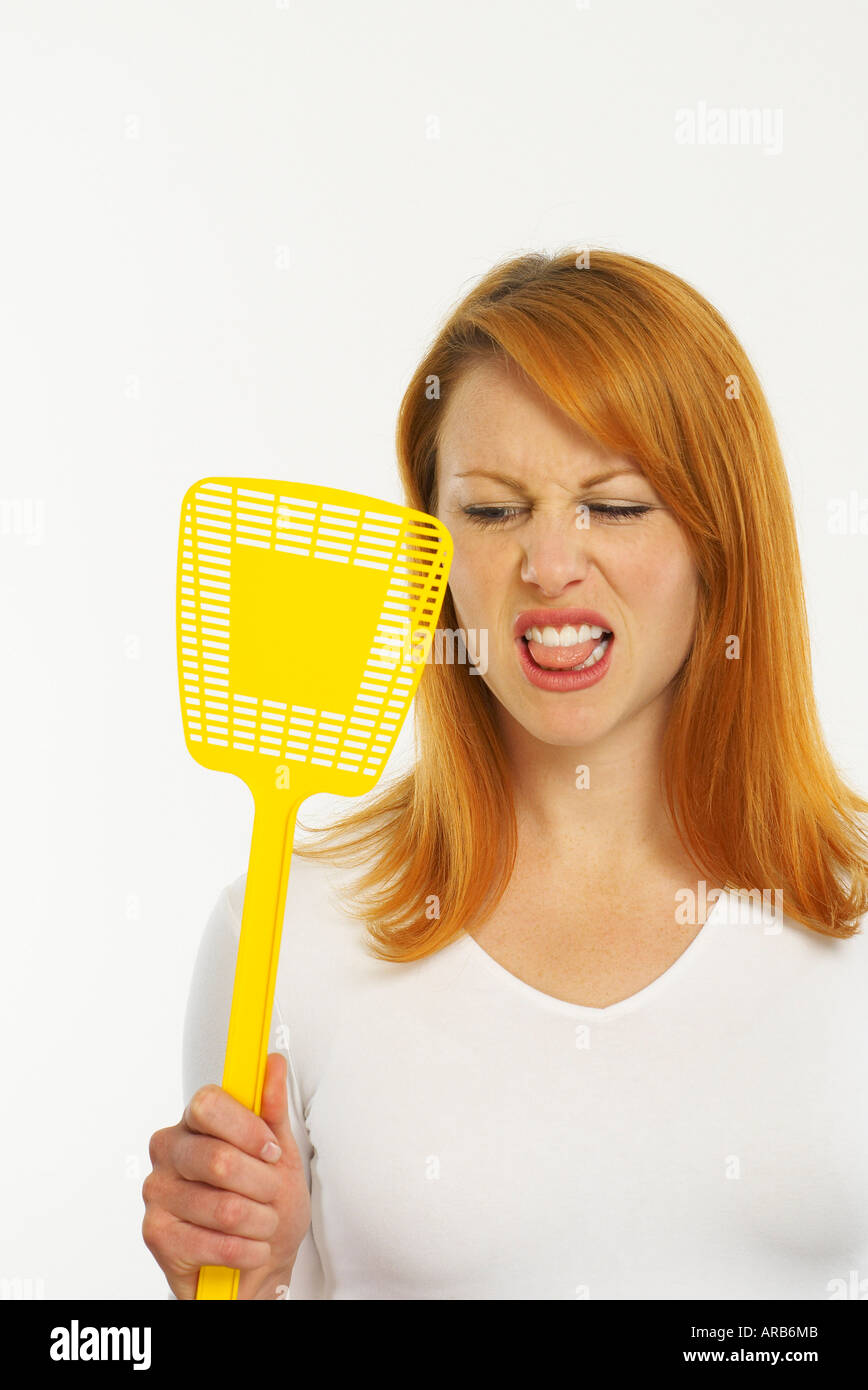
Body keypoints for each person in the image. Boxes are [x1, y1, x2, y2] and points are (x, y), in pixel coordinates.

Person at [143, 248, 868, 1300]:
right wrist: (234, 1295)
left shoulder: (849, 906)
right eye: (491, 511)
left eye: (614, 505)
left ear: (724, 543)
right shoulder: (289, 930)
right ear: (429, 552)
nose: (548, 564)